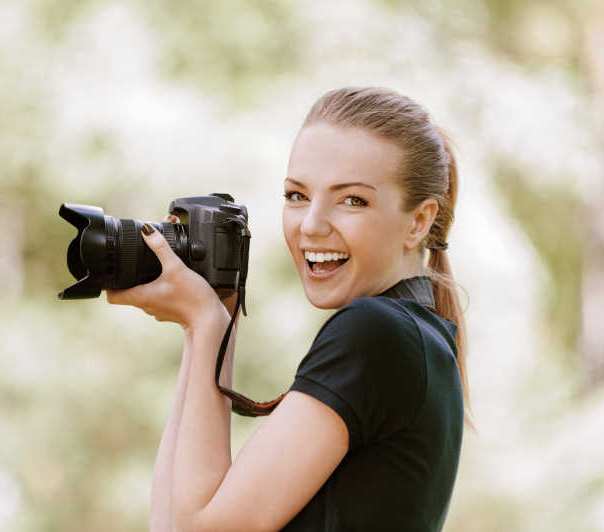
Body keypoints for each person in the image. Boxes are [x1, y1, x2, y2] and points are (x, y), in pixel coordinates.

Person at [105, 86, 473, 531]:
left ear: (418, 221)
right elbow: (170, 523)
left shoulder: (377, 333)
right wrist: (205, 323)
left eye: (351, 200)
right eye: (297, 196)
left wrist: (206, 323)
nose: (311, 225)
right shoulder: (415, 337)